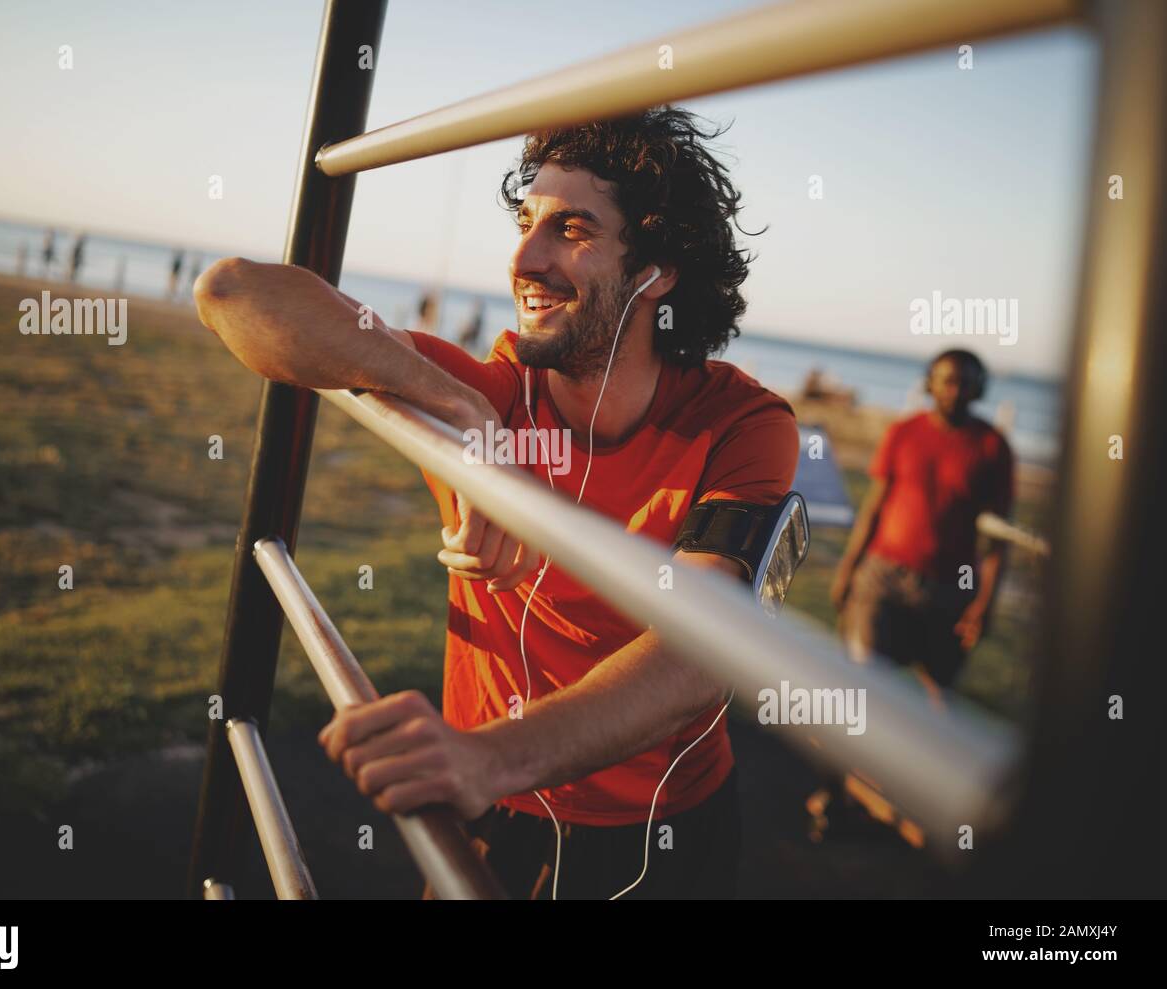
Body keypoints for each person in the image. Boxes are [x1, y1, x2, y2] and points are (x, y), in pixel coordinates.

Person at [193, 107, 798, 899]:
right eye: (526, 222)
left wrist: (489, 756)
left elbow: (700, 650)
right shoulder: (489, 393)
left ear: (657, 270)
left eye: (572, 229)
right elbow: (232, 293)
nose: (525, 258)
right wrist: (469, 419)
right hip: (491, 805)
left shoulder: (743, 426)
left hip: (658, 826)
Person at [832, 348, 1015, 702]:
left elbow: (998, 536)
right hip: (883, 576)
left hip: (952, 588)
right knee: (862, 685)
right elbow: (874, 507)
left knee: (938, 697)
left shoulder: (993, 446)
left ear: (980, 389)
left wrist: (985, 603)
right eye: (947, 381)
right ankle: (852, 759)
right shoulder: (903, 432)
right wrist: (849, 568)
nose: (955, 390)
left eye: (966, 383)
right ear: (930, 383)